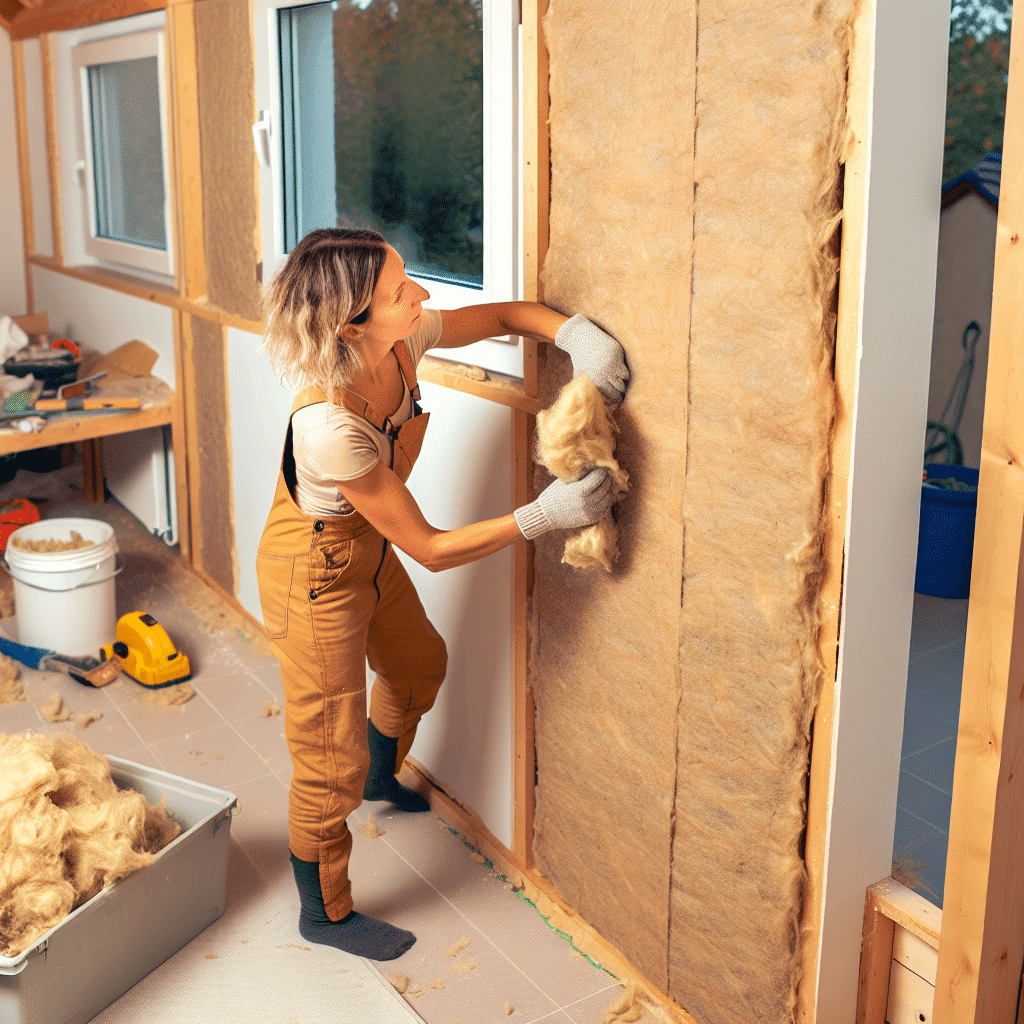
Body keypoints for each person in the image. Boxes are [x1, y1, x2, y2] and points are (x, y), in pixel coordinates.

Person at [256, 227, 629, 961]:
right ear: (348, 325)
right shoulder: (328, 427)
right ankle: (324, 913)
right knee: (324, 761)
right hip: (316, 574)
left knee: (420, 664)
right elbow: (425, 547)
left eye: (406, 276)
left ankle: (378, 777)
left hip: (364, 549)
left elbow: (505, 316)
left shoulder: (397, 341)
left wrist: (579, 339)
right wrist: (543, 515)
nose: (421, 295)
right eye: (401, 291)